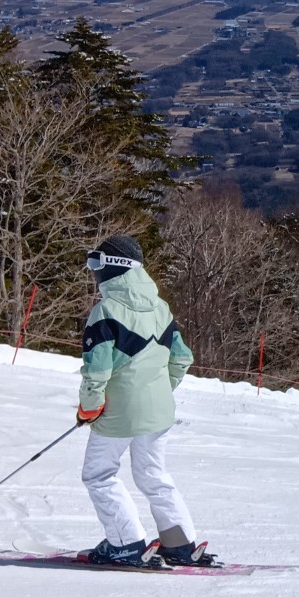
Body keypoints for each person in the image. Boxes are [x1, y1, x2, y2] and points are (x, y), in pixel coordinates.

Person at [76, 235, 214, 567]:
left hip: (119, 414)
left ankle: (125, 543)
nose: (93, 272)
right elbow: (181, 358)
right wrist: (158, 390)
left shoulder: (105, 311)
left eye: (97, 263)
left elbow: (97, 372)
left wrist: (89, 407)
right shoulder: (161, 308)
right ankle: (180, 543)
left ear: (113, 267)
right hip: (159, 412)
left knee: (99, 475)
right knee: (153, 475)